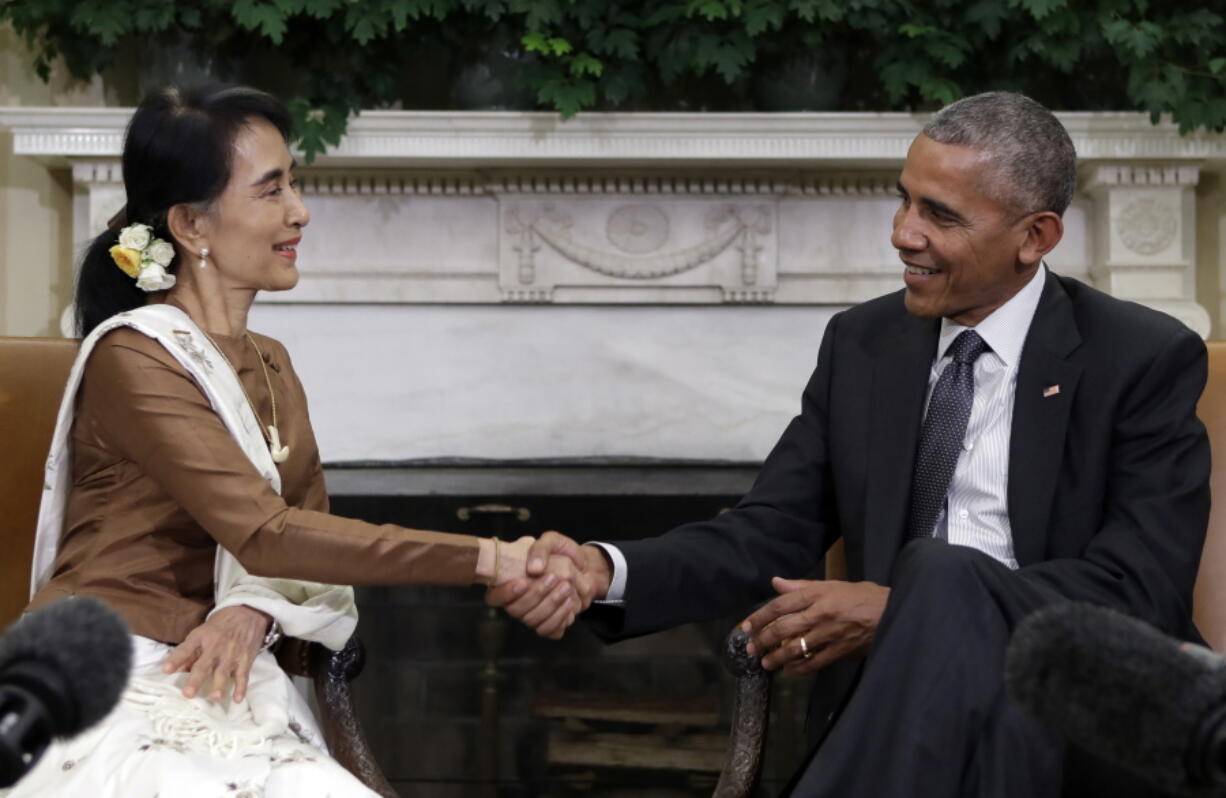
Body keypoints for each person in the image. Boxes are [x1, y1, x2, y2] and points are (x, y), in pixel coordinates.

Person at [488, 91, 1210, 797]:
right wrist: (600, 569)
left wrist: (905, 606)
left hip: (1076, 714)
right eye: (904, 200)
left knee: (943, 575)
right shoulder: (864, 345)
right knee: (939, 590)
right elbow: (769, 533)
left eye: (940, 214)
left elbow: (1138, 590)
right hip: (905, 712)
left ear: (1036, 237)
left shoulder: (1139, 358)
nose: (903, 232)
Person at [6, 84, 588, 798]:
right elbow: (269, 535)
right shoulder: (135, 356)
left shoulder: (273, 363)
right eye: (271, 189)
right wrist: (490, 557)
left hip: (219, 668)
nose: (300, 211)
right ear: (193, 224)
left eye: (295, 182)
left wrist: (251, 609)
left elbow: (308, 541)